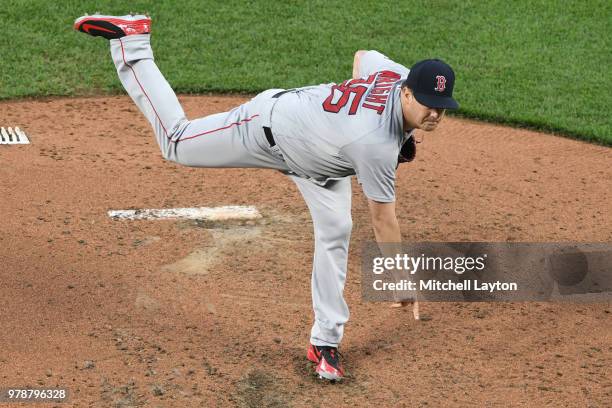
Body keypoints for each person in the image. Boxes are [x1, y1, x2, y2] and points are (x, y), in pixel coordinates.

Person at [74, 13, 459, 381]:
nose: (435, 115)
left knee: (337, 230)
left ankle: (325, 344)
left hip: (321, 167)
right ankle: (133, 42)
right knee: (176, 143)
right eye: (427, 104)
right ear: (406, 92)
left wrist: (364, 123)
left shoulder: (392, 74)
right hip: (268, 129)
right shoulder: (373, 144)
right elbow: (383, 220)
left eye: (441, 108)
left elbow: (363, 58)